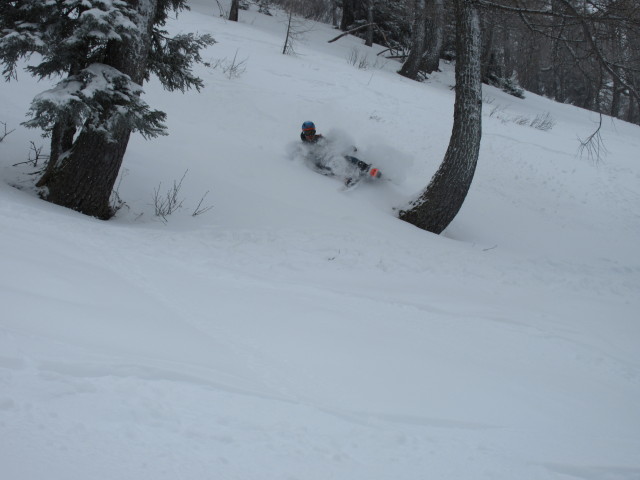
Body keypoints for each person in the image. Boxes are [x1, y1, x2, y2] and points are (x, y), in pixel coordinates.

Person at [300, 121, 381, 186]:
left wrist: (349, 147)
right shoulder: (304, 146)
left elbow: (333, 143)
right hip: (322, 164)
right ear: (304, 133)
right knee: (334, 165)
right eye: (307, 133)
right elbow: (308, 160)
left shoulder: (320, 138)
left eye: (312, 132)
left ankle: (366, 168)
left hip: (330, 155)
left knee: (346, 158)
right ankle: (347, 178)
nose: (310, 135)